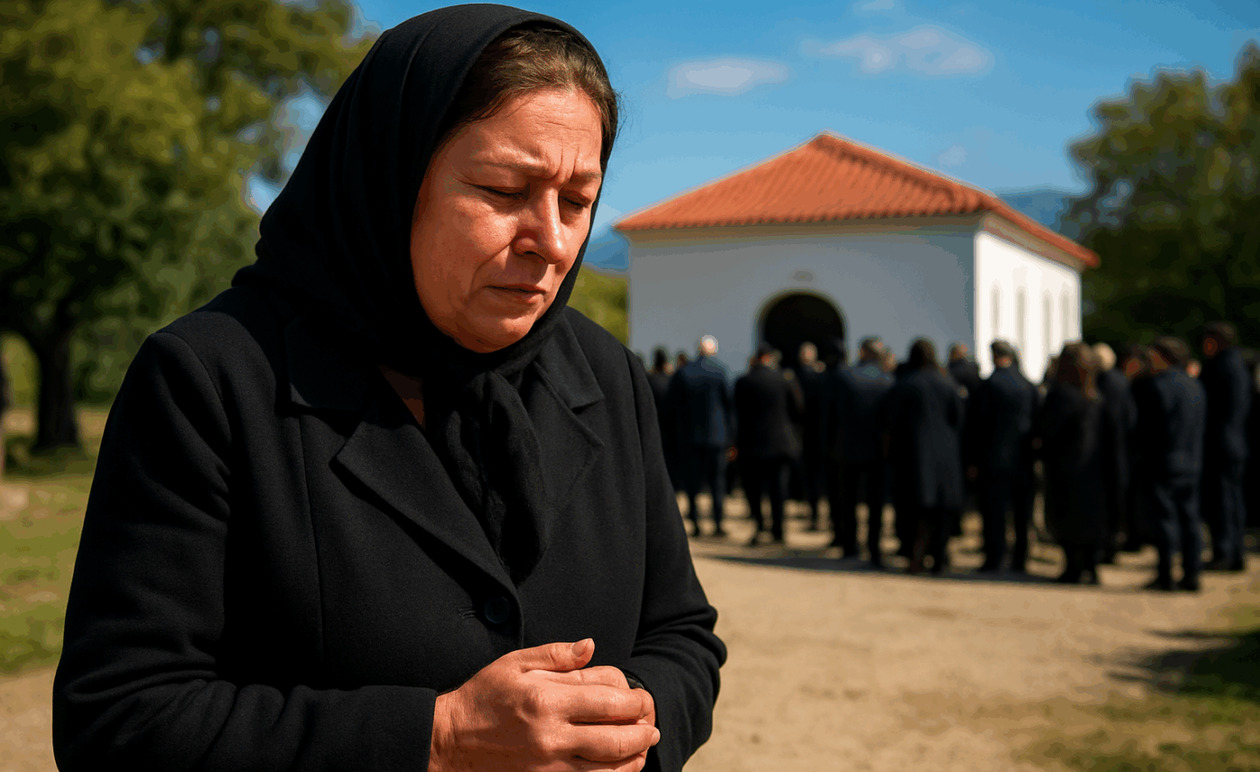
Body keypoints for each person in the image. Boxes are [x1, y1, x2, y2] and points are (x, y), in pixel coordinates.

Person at [52, 8, 724, 771]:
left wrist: (632, 721)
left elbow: (682, 634)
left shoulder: (605, 375)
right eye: (504, 189)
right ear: (390, 177)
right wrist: (437, 738)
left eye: (578, 200)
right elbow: (119, 720)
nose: (555, 241)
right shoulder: (212, 381)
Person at [1036, 343, 1122, 585]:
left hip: (1067, 467)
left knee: (1068, 518)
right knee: (1090, 519)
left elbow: (1048, 430)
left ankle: (1074, 567)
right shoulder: (1096, 395)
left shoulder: (1062, 395)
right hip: (1094, 467)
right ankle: (1091, 567)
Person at [885, 339, 964, 574]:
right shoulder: (947, 383)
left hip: (913, 456)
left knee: (913, 512)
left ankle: (915, 557)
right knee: (941, 512)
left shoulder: (905, 384)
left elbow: (891, 420)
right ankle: (939, 559)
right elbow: (959, 419)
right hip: (945, 457)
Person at [1135, 337, 1206, 592]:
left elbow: (1149, 429)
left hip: (1163, 461)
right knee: (1189, 519)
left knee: (1164, 519)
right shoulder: (1194, 386)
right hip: (1191, 461)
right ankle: (1192, 573)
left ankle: (1166, 574)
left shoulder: (1158, 386)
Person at [965, 340, 1039, 573]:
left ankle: (995, 558)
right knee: (1021, 514)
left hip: (994, 459)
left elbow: (978, 427)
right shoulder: (1028, 385)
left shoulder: (989, 386)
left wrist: (973, 460)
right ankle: (1020, 559)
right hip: (1023, 459)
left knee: (994, 513)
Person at [823, 337, 893, 565]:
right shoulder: (887, 379)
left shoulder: (845, 377)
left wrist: (830, 444)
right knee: (876, 504)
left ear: (862, 352)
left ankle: (850, 545)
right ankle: (874, 547)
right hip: (877, 451)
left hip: (847, 448)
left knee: (848, 501)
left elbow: (831, 415)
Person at [735, 344, 803, 545]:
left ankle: (759, 525)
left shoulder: (744, 381)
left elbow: (738, 413)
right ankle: (779, 529)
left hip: (752, 443)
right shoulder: (784, 379)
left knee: (754, 489)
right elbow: (798, 410)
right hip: (780, 443)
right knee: (778, 489)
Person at [668, 335, 733, 537]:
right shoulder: (720, 371)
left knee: (692, 483)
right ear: (713, 350)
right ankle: (717, 522)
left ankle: (695, 522)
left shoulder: (684, 372)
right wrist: (731, 437)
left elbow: (673, 408)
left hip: (690, 436)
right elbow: (728, 406)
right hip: (716, 436)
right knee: (717, 483)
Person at [1198, 322, 1251, 572]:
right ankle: (1234, 551)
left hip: (1220, 443)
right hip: (1235, 441)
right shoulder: (1238, 364)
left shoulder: (1221, 366)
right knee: (1233, 500)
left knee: (1221, 501)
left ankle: (1224, 552)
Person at [793, 342, 828, 531]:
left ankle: (812, 511)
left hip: (804, 433)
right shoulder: (820, 376)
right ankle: (814, 512)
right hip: (817, 433)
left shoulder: (794, 376)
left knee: (809, 476)